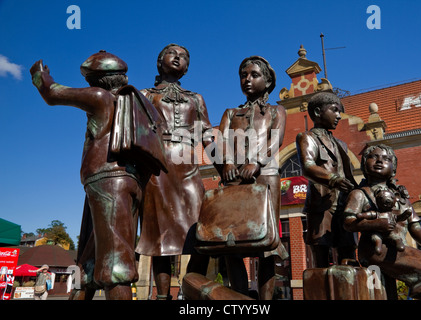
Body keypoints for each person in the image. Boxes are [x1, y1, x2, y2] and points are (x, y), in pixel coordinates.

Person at [30, 51, 161, 299]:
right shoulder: (131, 102)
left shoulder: (100, 97)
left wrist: (39, 74)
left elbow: (52, 93)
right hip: (127, 181)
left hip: (107, 181)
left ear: (97, 80)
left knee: (116, 264)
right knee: (89, 261)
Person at [135, 44, 213, 300]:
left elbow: (208, 134)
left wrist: (225, 166)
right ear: (160, 62)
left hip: (189, 166)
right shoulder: (143, 94)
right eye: (173, 54)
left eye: (184, 57)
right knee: (161, 239)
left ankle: (190, 290)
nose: (178, 58)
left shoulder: (195, 98)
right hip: (158, 166)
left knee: (201, 233)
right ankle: (163, 296)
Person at [218, 56, 288, 300]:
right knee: (232, 243)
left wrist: (257, 162)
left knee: (267, 244)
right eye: (243, 75)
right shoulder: (230, 113)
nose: (247, 79)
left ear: (267, 81)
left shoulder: (276, 111)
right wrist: (227, 162)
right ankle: (240, 298)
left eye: (254, 75)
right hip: (234, 180)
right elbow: (221, 141)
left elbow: (275, 140)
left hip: (265, 177)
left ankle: (266, 300)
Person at [344, 144, 421, 299]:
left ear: (393, 168)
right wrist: (376, 224)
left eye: (386, 159)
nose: (380, 161)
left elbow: (415, 226)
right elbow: (348, 222)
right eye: (374, 157)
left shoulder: (401, 197)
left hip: (398, 249)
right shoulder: (360, 194)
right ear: (364, 164)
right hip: (375, 250)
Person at [296, 92, 357, 267]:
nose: (339, 116)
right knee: (321, 256)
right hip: (322, 204)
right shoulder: (307, 138)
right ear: (317, 112)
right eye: (334, 110)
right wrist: (333, 179)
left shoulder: (342, 144)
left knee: (349, 253)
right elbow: (307, 167)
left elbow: (350, 176)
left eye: (340, 112)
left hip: (345, 206)